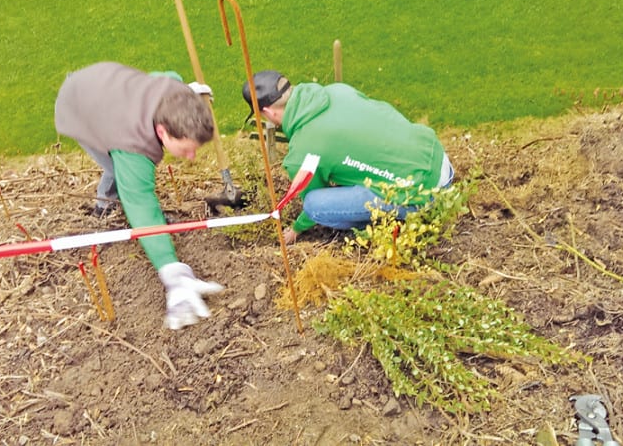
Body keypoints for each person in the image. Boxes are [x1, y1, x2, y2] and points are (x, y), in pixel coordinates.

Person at [55, 61, 223, 330]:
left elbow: (166, 75)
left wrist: (192, 95)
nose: (192, 158)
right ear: (162, 132)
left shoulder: (174, 92)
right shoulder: (133, 146)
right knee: (119, 171)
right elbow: (142, 205)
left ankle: (108, 199)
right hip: (78, 104)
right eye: (187, 149)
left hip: (105, 83)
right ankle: (105, 205)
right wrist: (172, 271)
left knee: (123, 170)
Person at [242, 71, 454, 244]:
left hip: (421, 194)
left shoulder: (302, 153)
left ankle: (384, 224)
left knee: (315, 206)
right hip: (438, 158)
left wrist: (297, 229)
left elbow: (311, 199)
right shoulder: (338, 91)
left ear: (268, 112)